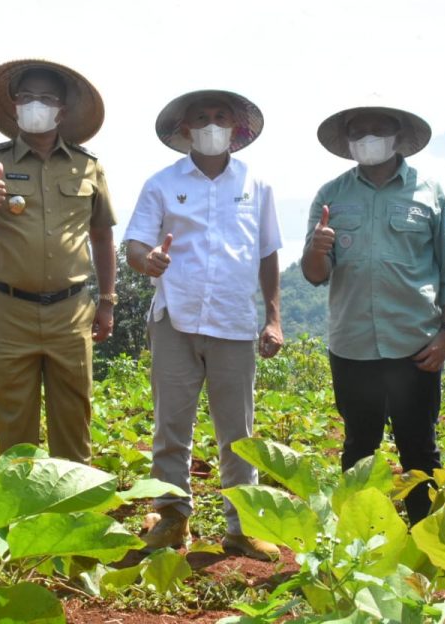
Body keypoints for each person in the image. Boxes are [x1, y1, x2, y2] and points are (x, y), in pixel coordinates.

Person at [124, 89, 283, 561]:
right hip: (175, 317)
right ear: (185, 129)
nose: (211, 125)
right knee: (171, 425)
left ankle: (242, 527)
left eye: (220, 117)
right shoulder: (162, 183)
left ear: (235, 129)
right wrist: (146, 261)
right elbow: (135, 243)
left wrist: (274, 317)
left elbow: (268, 253)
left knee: (238, 431)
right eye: (201, 118)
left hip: (234, 320)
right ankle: (172, 518)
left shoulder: (258, 185)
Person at [301, 102, 445, 524]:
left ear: (398, 136)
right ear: (348, 140)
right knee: (359, 446)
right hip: (352, 345)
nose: (369, 137)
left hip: (415, 344)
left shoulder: (431, 192)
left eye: (379, 128)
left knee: (420, 449)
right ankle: (360, 539)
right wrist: (317, 250)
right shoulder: (331, 195)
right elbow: (315, 274)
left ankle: (428, 542)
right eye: (360, 130)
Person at [0, 59, 116, 463]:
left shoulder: (88, 166)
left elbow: (102, 234)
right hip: (9, 312)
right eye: (27, 98)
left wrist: (108, 301)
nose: (35, 106)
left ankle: (73, 514)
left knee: (74, 421)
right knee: (13, 425)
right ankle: (20, 518)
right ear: (13, 107)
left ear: (62, 109)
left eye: (46, 98)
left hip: (71, 312)